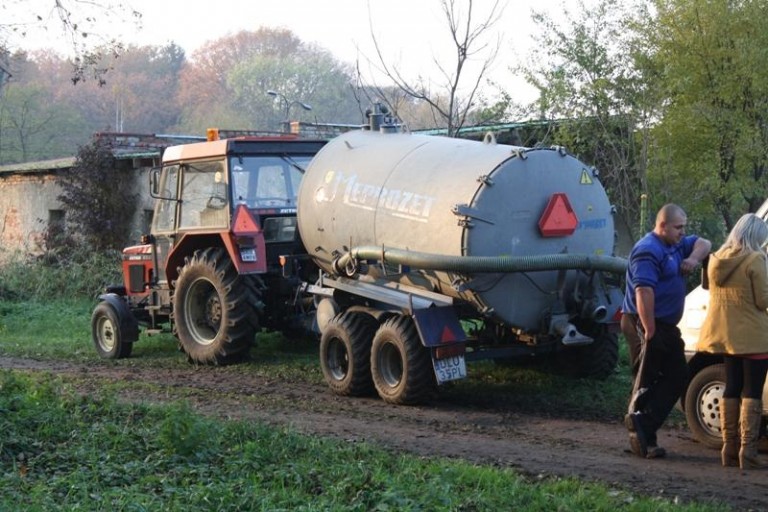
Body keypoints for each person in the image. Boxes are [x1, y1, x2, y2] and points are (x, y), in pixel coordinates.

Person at [621, 203, 712, 458]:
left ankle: (644, 425)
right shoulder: (648, 250)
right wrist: (649, 330)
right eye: (678, 227)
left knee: (678, 375)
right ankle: (641, 439)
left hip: (666, 326)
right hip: (645, 322)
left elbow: (705, 242)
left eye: (684, 227)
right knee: (645, 380)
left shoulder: (675, 245)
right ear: (662, 226)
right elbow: (643, 291)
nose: (683, 232)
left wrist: (693, 258)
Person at [696, 213, 768, 470]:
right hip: (753, 337)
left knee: (732, 386)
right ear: (756, 236)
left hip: (725, 335)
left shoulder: (717, 259)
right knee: (752, 390)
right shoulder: (756, 259)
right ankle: (747, 452)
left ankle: (729, 448)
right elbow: (763, 300)